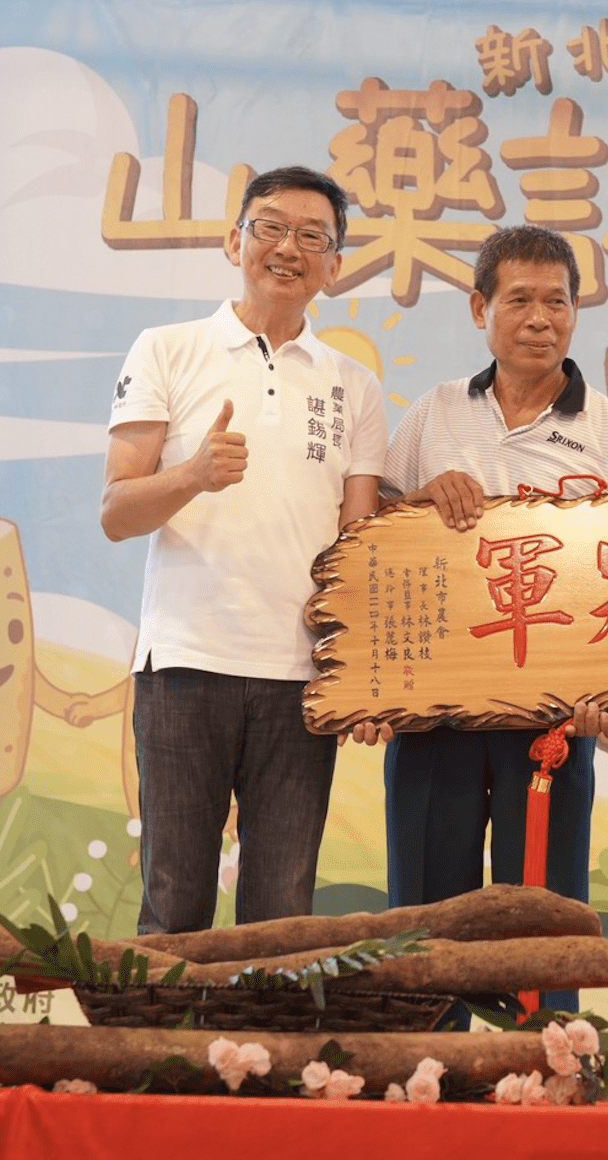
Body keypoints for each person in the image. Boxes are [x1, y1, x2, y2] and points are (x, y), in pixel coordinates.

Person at [102, 165, 386, 935]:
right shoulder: (166, 349)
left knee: (282, 916)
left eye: (312, 236)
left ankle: (269, 1026)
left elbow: (358, 551)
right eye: (270, 227)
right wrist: (192, 475)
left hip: (301, 681)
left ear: (334, 266)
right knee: (175, 906)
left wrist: (361, 677)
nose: (288, 248)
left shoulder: (356, 386)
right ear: (235, 243)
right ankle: (167, 1026)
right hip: (186, 664)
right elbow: (116, 512)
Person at [378, 224, 608, 1011]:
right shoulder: (432, 416)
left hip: (553, 719)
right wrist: (420, 498)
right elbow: (373, 545)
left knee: (543, 916)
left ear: (576, 312)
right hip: (437, 713)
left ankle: (545, 1066)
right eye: (520, 300)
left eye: (557, 302)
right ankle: (424, 1067)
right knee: (425, 919)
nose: (540, 319)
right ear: (480, 309)